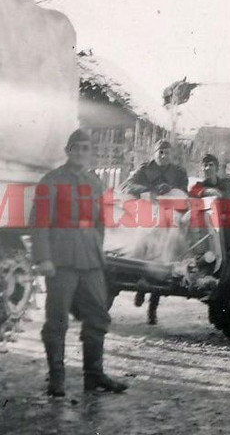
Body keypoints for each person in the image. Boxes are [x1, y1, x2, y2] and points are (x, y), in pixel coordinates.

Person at [31, 129, 128, 397]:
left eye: (86, 148)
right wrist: (43, 258)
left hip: (90, 257)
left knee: (98, 315)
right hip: (61, 259)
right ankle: (57, 378)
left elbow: (100, 222)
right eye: (76, 148)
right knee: (57, 319)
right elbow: (39, 222)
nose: (82, 153)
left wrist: (97, 248)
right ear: (68, 151)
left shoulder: (94, 182)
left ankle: (94, 376)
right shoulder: (51, 181)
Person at [123, 139, 188, 324]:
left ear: (171, 155)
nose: (163, 156)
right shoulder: (144, 169)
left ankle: (153, 306)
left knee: (165, 253)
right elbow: (127, 185)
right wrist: (148, 189)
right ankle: (141, 286)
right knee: (143, 243)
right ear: (154, 153)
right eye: (160, 152)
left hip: (169, 214)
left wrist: (172, 189)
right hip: (147, 211)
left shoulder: (179, 172)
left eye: (167, 153)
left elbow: (184, 193)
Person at [189, 154, 230, 339]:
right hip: (211, 237)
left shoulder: (228, 184)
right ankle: (217, 312)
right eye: (205, 165)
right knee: (216, 271)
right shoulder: (198, 186)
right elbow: (195, 195)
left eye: (211, 164)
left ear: (217, 167)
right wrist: (209, 193)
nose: (208, 168)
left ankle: (227, 314)